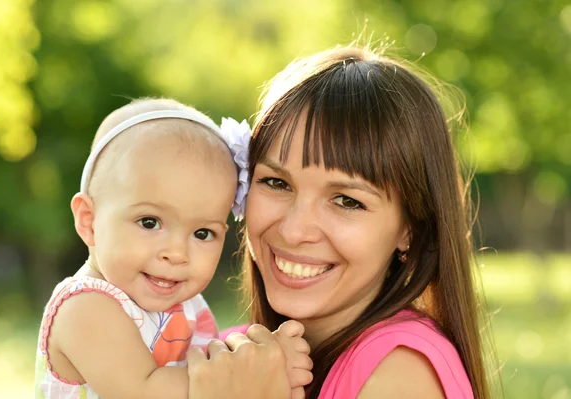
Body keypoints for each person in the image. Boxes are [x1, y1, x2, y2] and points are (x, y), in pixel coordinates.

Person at [195, 45, 496, 398]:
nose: (293, 230)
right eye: (277, 183)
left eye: (347, 200)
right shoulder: (233, 351)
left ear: (410, 228)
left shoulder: (400, 375)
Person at [34, 98, 312, 398]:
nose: (177, 253)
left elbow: (207, 367)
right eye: (149, 222)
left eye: (202, 233)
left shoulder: (184, 306)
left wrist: (266, 358)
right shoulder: (86, 306)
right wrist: (257, 373)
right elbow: (144, 391)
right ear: (89, 221)